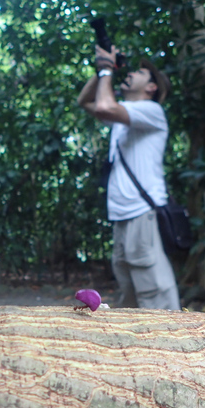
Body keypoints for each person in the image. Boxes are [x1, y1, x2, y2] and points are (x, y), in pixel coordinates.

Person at [77, 44, 180, 311]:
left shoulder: (151, 110)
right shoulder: (124, 115)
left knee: (156, 297)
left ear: (151, 87)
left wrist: (108, 69)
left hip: (141, 213)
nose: (131, 73)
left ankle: (174, 346)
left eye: (140, 72)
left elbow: (102, 106)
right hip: (123, 216)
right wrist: (102, 69)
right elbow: (86, 102)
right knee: (132, 297)